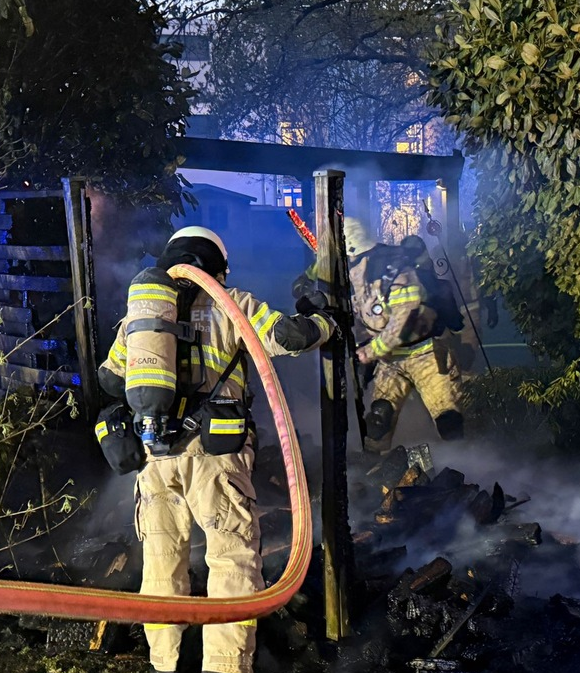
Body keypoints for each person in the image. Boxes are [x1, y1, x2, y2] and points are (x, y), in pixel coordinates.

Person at [97, 226, 334, 673]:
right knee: (231, 563)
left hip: (156, 455)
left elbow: (111, 379)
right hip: (216, 457)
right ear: (218, 267)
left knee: (161, 565)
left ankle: (166, 663)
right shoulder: (231, 304)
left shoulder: (143, 313)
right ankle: (225, 667)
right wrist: (327, 322)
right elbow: (289, 336)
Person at [339, 217, 465, 455]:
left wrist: (370, 351)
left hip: (427, 354)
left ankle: (465, 469)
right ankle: (372, 475)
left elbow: (403, 322)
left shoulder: (399, 276)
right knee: (379, 419)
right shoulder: (359, 278)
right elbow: (362, 318)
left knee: (449, 421)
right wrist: (361, 346)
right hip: (390, 361)